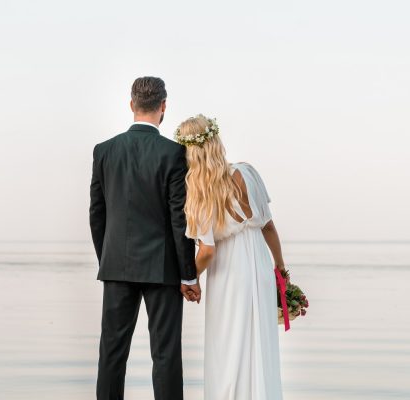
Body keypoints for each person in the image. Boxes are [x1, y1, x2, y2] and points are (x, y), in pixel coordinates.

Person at [89, 76, 200, 400]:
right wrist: (188, 273)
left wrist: (108, 257)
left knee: (111, 353)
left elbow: (97, 214)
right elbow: (179, 219)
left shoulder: (104, 151)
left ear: (131, 104)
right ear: (163, 107)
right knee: (165, 354)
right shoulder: (174, 153)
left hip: (116, 266)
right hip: (162, 269)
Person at [175, 114, 286, 399]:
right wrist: (280, 269)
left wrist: (189, 278)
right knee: (259, 341)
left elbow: (208, 251)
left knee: (228, 344)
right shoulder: (248, 172)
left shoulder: (199, 192)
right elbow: (269, 226)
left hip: (228, 272)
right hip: (259, 263)